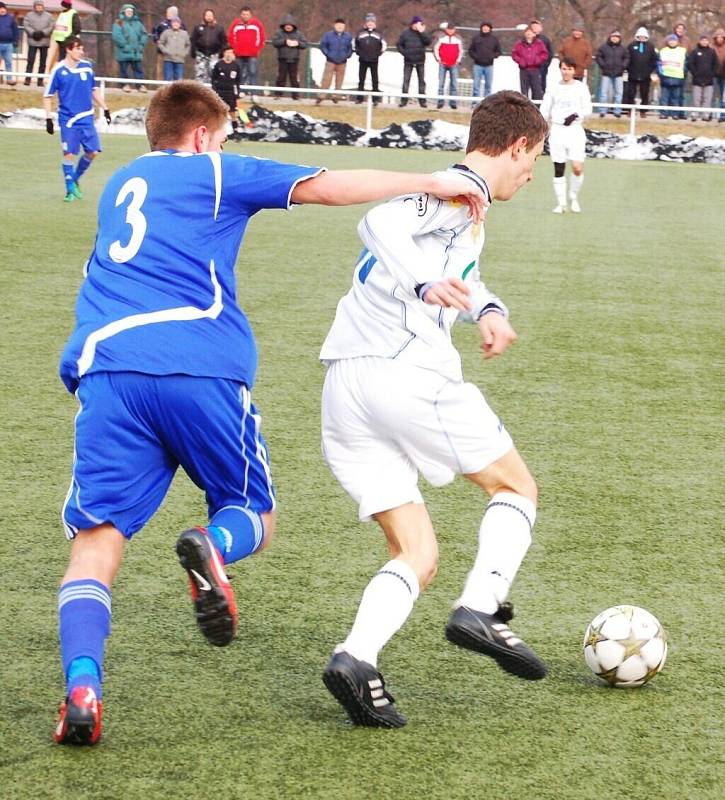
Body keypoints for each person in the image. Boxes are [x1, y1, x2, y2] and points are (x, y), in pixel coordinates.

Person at [51, 78, 487, 746]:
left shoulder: (120, 183)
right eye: (222, 136)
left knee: (96, 543)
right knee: (252, 512)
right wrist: (433, 177)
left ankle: (82, 687)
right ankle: (213, 548)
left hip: (107, 372)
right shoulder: (216, 171)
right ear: (202, 136)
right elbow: (330, 184)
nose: (224, 146)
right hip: (199, 363)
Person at [319, 89, 549, 729]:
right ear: (517, 146)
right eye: (533, 162)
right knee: (515, 487)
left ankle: (356, 659)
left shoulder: (463, 205)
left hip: (346, 386)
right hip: (406, 372)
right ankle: (482, 605)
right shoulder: (462, 190)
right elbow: (379, 223)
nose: (531, 177)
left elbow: (452, 270)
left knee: (415, 551)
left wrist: (487, 309)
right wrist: (424, 285)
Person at [43, 37, 111, 203]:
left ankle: (74, 178)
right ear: (68, 49)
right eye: (78, 48)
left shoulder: (87, 68)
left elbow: (93, 91)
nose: (81, 51)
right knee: (68, 155)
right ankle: (69, 191)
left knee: (93, 152)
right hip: (68, 120)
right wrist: (48, 118)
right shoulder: (58, 70)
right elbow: (47, 95)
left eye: (82, 48)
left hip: (87, 117)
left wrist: (105, 108)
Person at [540, 57, 592, 214]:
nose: (566, 72)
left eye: (569, 69)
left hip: (575, 130)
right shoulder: (553, 88)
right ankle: (561, 203)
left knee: (577, 167)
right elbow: (545, 110)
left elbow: (588, 108)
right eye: (564, 68)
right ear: (560, 69)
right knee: (559, 168)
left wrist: (576, 115)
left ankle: (573, 196)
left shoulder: (581, 87)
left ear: (574, 70)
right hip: (557, 130)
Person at [211, 44, 251, 136]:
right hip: (220, 92)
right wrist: (214, 90)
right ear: (224, 53)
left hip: (230, 92)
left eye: (231, 52)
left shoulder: (235, 66)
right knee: (218, 112)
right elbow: (213, 79)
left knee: (232, 112)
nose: (229, 54)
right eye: (227, 52)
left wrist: (237, 93)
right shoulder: (218, 65)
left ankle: (235, 131)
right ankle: (216, 131)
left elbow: (238, 81)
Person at [227, 5, 265, 94]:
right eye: (243, 14)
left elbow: (261, 38)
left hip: (252, 54)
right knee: (239, 73)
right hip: (238, 54)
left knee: (252, 72)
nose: (245, 16)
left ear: (251, 15)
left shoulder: (257, 24)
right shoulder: (235, 24)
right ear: (240, 15)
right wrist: (234, 49)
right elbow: (231, 37)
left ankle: (253, 92)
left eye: (247, 14)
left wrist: (256, 49)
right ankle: (240, 91)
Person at [111, 3, 148, 93]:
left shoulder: (138, 23)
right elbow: (116, 35)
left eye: (131, 11)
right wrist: (125, 45)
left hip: (136, 52)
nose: (130, 13)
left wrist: (141, 45)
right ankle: (124, 85)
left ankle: (140, 85)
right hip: (124, 51)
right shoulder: (119, 22)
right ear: (124, 12)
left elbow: (144, 34)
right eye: (128, 11)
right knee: (123, 69)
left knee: (138, 69)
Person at [316, 17, 352, 104]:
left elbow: (350, 48)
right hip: (330, 61)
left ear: (344, 26)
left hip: (342, 61)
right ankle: (321, 96)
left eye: (341, 25)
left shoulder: (348, 36)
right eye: (338, 25)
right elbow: (323, 46)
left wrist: (347, 55)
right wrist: (328, 54)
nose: (340, 27)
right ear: (334, 26)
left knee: (339, 80)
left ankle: (336, 96)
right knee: (326, 79)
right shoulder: (328, 35)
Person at [397, 16, 431, 107]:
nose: (418, 25)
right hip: (408, 61)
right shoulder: (405, 33)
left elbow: (428, 42)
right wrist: (405, 53)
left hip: (420, 61)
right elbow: (399, 45)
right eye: (417, 23)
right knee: (406, 81)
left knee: (421, 82)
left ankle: (422, 101)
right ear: (413, 24)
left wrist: (422, 32)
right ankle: (404, 100)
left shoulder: (422, 33)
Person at [623, 27, 658, 117]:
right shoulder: (631, 45)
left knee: (644, 94)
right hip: (633, 74)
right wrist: (628, 69)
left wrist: (649, 70)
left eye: (644, 36)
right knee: (630, 94)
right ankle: (630, 110)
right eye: (640, 36)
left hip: (645, 75)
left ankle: (643, 111)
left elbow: (654, 60)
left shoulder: (650, 46)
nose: (642, 38)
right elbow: (627, 58)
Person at [272, 14, 307, 100]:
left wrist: (297, 43)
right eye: (287, 25)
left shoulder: (299, 34)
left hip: (294, 59)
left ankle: (296, 95)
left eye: (290, 25)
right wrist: (284, 41)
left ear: (293, 26)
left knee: (294, 78)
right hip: (282, 58)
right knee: (281, 77)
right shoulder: (279, 33)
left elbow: (305, 44)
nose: (288, 27)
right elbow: (275, 42)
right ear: (284, 25)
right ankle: (278, 94)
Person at [353, 12, 385, 104]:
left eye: (372, 21)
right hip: (363, 59)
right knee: (361, 80)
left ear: (375, 23)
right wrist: (359, 53)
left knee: (375, 80)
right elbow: (354, 44)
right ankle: (359, 98)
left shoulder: (379, 33)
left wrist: (378, 54)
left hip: (374, 60)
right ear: (366, 23)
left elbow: (384, 45)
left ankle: (375, 99)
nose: (370, 23)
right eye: (368, 21)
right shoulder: (360, 32)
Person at [595, 30, 628, 117]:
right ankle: (602, 111)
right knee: (603, 93)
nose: (615, 38)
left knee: (619, 94)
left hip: (619, 74)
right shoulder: (603, 47)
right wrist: (603, 65)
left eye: (617, 37)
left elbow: (627, 58)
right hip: (606, 73)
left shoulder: (623, 49)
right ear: (610, 37)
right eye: (613, 36)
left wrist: (623, 66)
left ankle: (617, 111)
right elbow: (598, 56)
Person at [511, 26, 548, 101]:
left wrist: (538, 60)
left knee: (537, 90)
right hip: (524, 70)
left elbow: (544, 54)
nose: (529, 34)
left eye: (530, 32)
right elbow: (514, 54)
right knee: (524, 90)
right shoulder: (519, 44)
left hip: (535, 69)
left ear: (534, 34)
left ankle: (537, 107)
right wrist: (520, 61)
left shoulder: (539, 43)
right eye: (527, 32)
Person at [191, 8, 227, 84]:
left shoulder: (219, 28)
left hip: (214, 54)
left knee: (214, 73)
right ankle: (200, 91)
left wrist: (221, 53)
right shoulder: (198, 28)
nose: (209, 17)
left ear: (213, 16)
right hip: (201, 54)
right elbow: (193, 40)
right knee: (200, 74)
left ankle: (213, 90)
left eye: (210, 15)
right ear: (204, 16)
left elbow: (224, 42)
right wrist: (193, 52)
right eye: (207, 15)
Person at [22, 1, 54, 87]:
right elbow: (26, 25)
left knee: (42, 62)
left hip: (44, 42)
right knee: (30, 61)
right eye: (37, 6)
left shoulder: (49, 16)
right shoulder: (29, 15)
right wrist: (33, 33)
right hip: (33, 41)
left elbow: (51, 26)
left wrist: (43, 33)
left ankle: (40, 80)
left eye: (41, 6)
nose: (39, 7)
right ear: (34, 6)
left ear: (43, 6)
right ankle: (27, 79)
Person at [687, 34, 718, 121]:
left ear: (708, 42)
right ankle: (695, 114)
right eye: (702, 40)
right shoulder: (695, 51)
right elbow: (690, 63)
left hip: (709, 80)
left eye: (706, 40)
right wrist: (695, 73)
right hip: (697, 79)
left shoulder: (712, 52)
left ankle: (706, 115)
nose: (704, 42)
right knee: (696, 98)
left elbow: (716, 64)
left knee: (707, 98)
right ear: (699, 41)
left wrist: (712, 73)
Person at [468, 21, 500, 100]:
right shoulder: (476, 38)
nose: (485, 28)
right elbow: (470, 50)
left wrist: (492, 56)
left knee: (488, 86)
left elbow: (498, 52)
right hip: (477, 65)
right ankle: (475, 103)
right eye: (484, 27)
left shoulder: (494, 39)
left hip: (489, 66)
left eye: (487, 27)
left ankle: (487, 104)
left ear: (490, 28)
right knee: (476, 85)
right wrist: (476, 57)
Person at [434, 22, 462, 109]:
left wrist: (458, 60)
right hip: (443, 63)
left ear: (454, 30)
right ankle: (440, 102)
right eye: (449, 29)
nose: (450, 31)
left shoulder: (458, 40)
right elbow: (436, 49)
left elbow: (460, 51)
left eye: (452, 29)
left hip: (453, 64)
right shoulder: (441, 39)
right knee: (441, 83)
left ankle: (453, 103)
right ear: (446, 30)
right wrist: (439, 59)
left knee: (454, 84)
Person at [658, 34, 687, 119]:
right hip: (665, 78)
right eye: (670, 40)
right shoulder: (663, 51)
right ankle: (664, 113)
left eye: (674, 40)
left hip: (678, 78)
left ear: (677, 42)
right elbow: (659, 64)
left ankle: (675, 114)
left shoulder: (682, 51)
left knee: (676, 98)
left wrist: (683, 75)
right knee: (664, 98)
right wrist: (661, 75)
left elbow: (686, 65)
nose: (672, 42)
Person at [152, 6, 185, 80]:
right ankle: (161, 87)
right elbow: (154, 32)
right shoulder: (161, 24)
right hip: (162, 52)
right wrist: (157, 40)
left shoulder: (181, 25)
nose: (167, 14)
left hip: (177, 53)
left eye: (169, 13)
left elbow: (185, 38)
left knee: (177, 73)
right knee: (161, 71)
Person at [47, 0, 80, 71]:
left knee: (65, 58)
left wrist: (70, 37)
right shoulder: (62, 13)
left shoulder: (73, 13)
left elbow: (77, 28)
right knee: (61, 58)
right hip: (60, 39)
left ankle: (65, 71)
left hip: (67, 40)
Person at [159, 16, 190, 82]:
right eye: (174, 22)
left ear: (180, 24)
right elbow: (160, 43)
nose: (175, 24)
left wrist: (184, 53)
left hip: (180, 60)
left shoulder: (184, 34)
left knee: (179, 81)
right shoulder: (166, 32)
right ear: (171, 23)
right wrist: (165, 51)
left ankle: (178, 92)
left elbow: (188, 45)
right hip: (168, 59)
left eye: (177, 22)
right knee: (167, 79)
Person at [530, 19, 553, 93]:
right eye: (533, 27)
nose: (535, 28)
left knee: (541, 85)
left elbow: (550, 53)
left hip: (542, 67)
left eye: (537, 27)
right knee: (532, 85)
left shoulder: (545, 39)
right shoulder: (527, 38)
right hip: (529, 67)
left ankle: (541, 100)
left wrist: (546, 64)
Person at [0, 1, 18, 86]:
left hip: (8, 44)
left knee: (8, 62)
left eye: (3, 8)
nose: (2, 10)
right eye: (0, 9)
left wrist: (16, 41)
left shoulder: (11, 18)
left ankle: (9, 79)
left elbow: (15, 30)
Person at [714, 28, 725, 123]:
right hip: (714, 74)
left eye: (722, 37)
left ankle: (722, 115)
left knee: (723, 96)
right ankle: (709, 114)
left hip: (724, 75)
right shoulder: (712, 47)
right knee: (713, 95)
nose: (720, 39)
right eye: (718, 37)